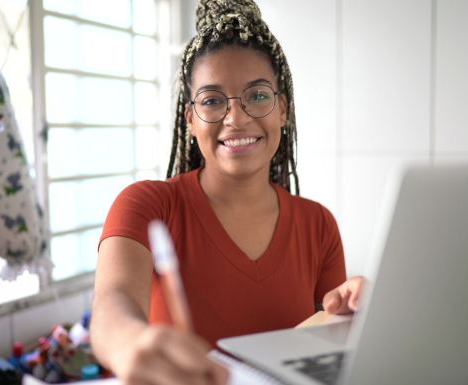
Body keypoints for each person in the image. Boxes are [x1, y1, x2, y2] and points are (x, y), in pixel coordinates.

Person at [91, 1, 365, 384]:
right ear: (190, 119)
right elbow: (111, 306)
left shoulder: (318, 224)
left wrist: (355, 315)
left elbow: (328, 344)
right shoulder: (147, 205)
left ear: (281, 110)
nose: (236, 119)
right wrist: (128, 341)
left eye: (257, 96)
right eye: (212, 101)